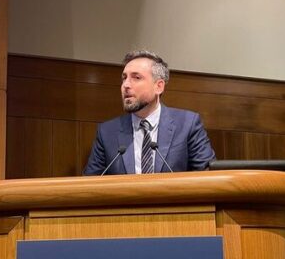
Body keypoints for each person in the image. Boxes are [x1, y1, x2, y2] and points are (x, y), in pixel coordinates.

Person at [83, 50, 215, 175]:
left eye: (136, 77)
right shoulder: (107, 132)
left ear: (159, 86)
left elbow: (208, 175)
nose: (126, 85)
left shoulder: (187, 124)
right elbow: (90, 183)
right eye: (124, 78)